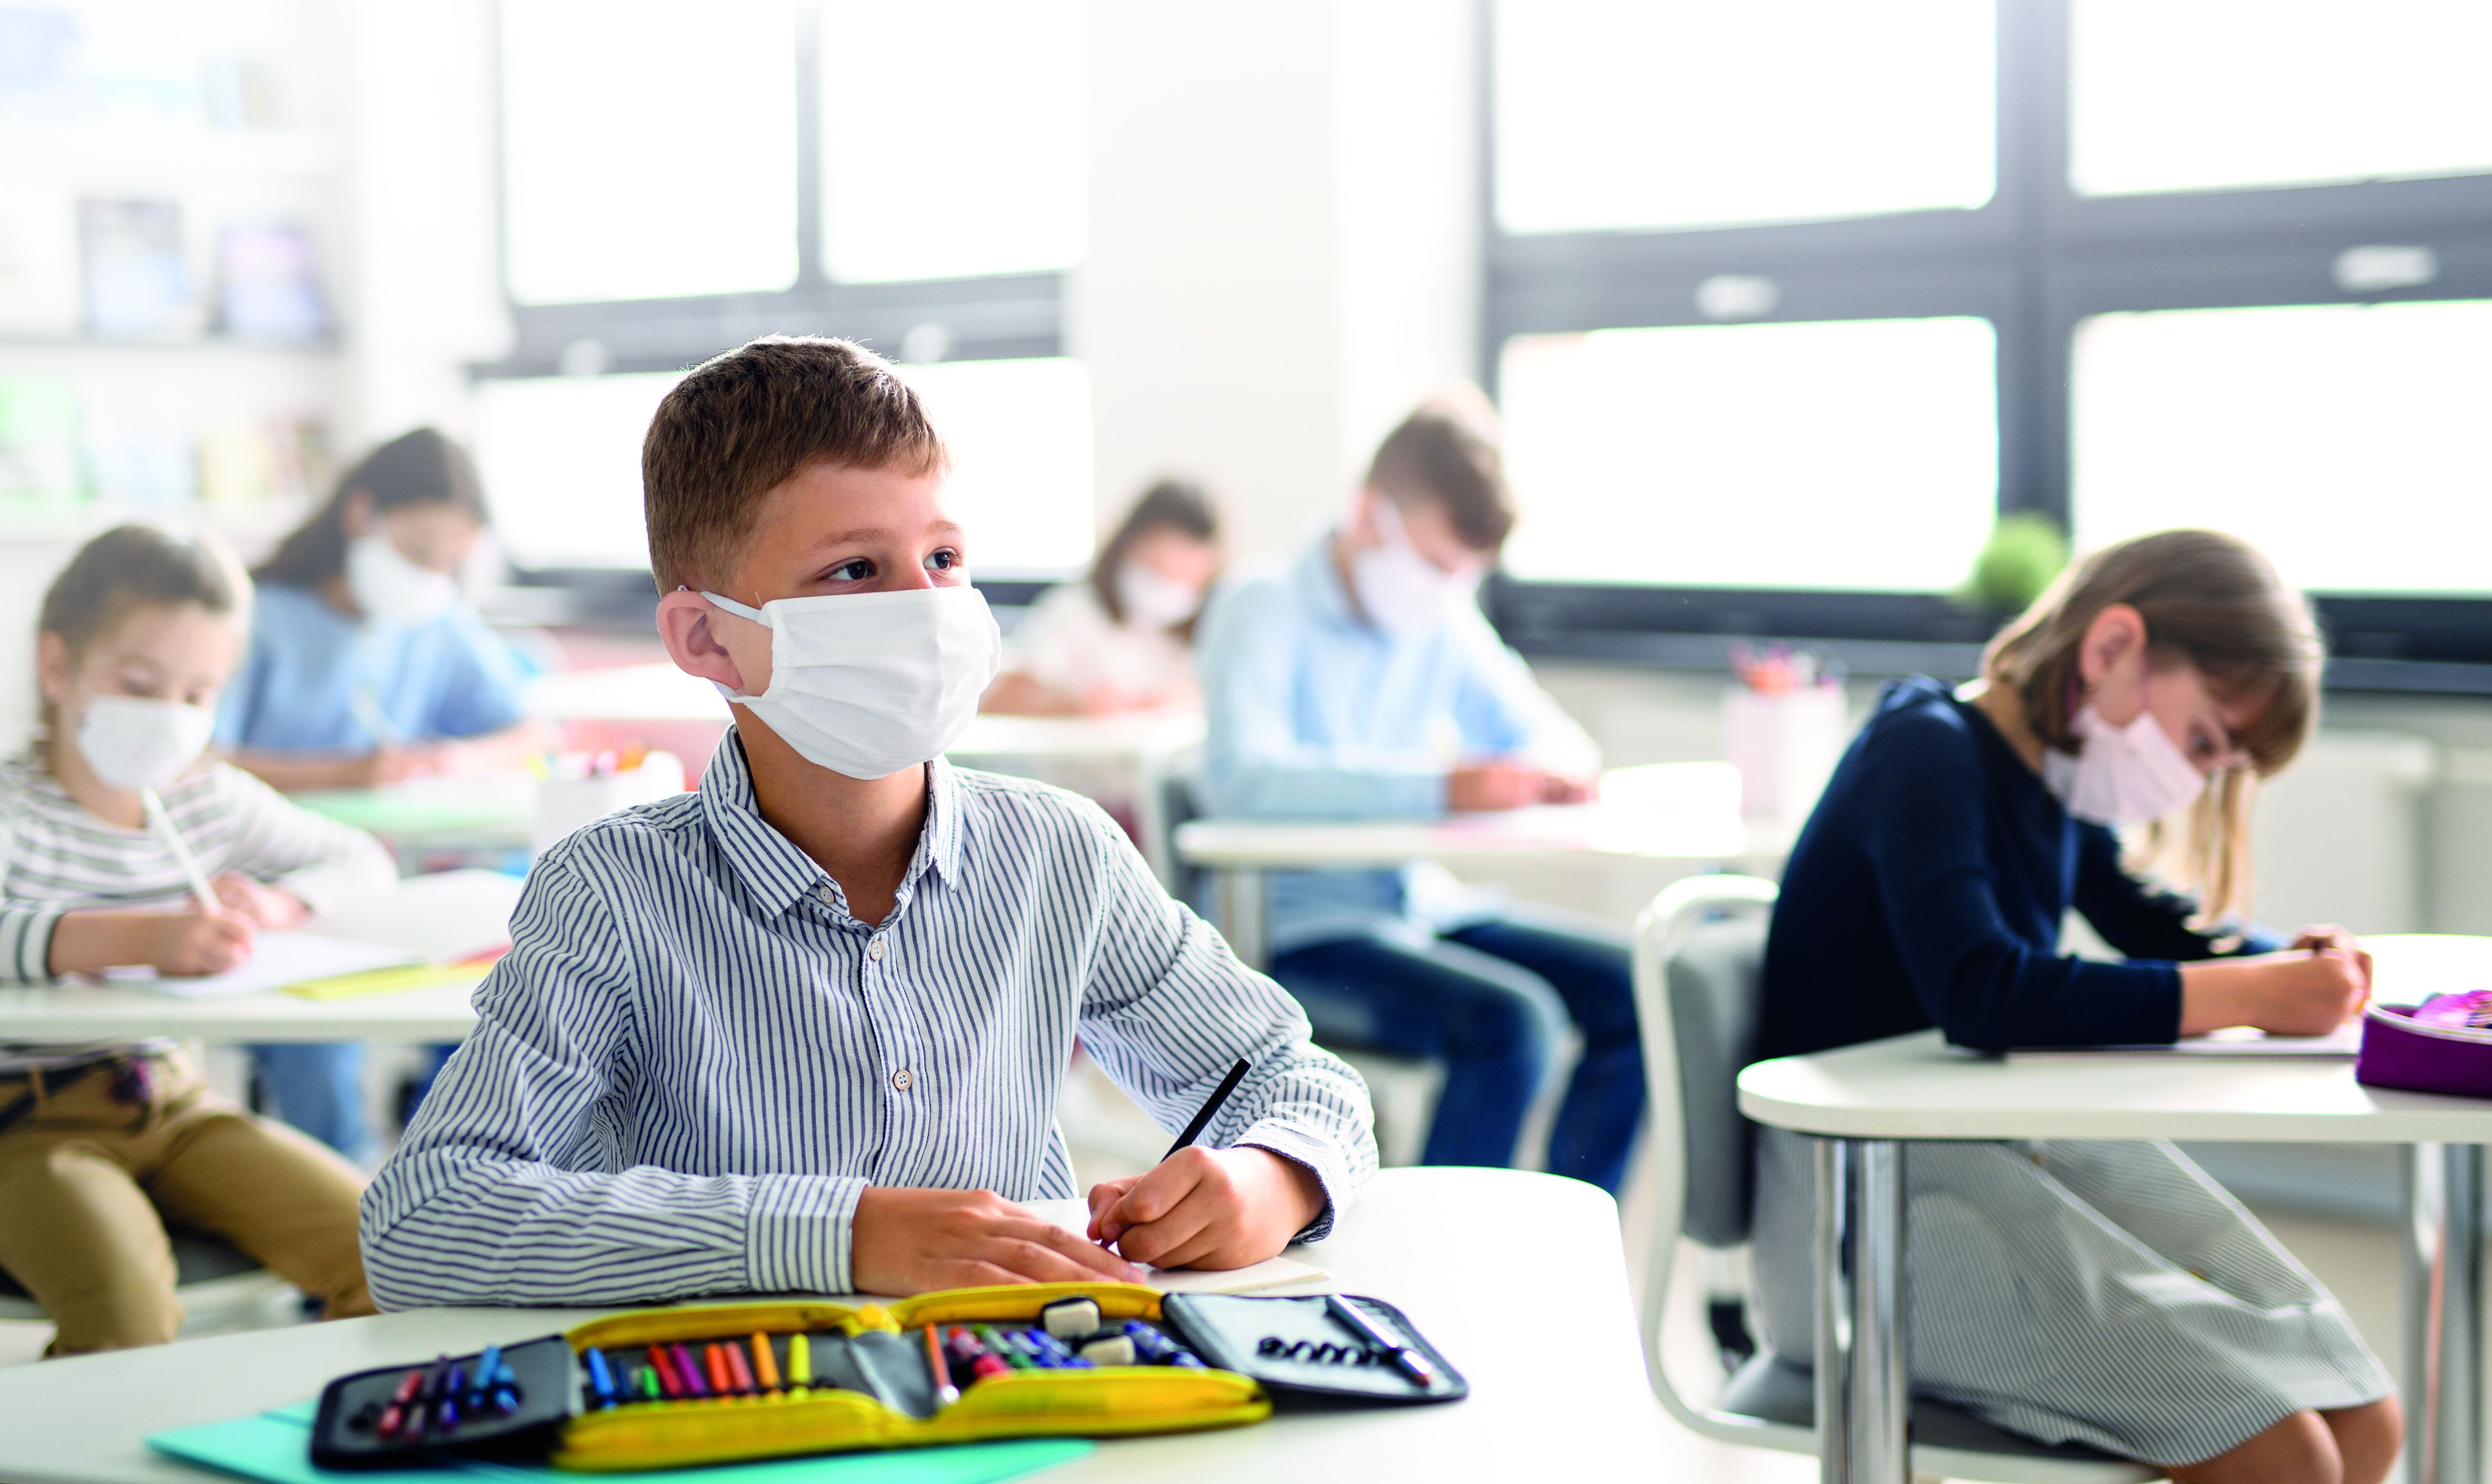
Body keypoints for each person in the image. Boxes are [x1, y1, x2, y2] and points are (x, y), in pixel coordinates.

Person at [359, 336, 1374, 1308]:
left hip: (1019, 1386)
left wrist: (1270, 1175)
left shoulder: (1059, 855)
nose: (924, 606)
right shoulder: (614, 890)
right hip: (747, 1410)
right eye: (853, 569)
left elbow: (1294, 1076)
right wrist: (839, 1234)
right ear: (707, 636)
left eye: (943, 555)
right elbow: (423, 1216)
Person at [1751, 529, 2401, 1484]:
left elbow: (2157, 924)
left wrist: (2287, 964)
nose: (2191, 779)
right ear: (2109, 649)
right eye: (2201, 741)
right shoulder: (1921, 750)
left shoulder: (2048, 781)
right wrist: (2251, 994)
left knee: (2362, 1418)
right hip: (1866, 1199)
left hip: (1989, 1149)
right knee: (2286, 1455)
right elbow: (1980, 987)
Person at [1194, 390, 1644, 1193]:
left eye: (1466, 572)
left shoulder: (1440, 616)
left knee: (1637, 983)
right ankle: (1436, 1269)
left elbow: (1551, 732)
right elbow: (1240, 778)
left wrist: (1548, 767)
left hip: (1418, 906)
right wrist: (1440, 783)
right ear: (1371, 514)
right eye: (1438, 564)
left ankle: (1560, 1236)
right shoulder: (1261, 604)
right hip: (1300, 935)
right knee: (1514, 1024)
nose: (1449, 587)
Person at [0, 524, 389, 1352]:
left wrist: (280, 903)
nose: (170, 716)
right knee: (129, 1312)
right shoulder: (14, 815)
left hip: (177, 1105)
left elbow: (358, 859)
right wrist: (142, 935)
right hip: (26, 1128)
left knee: (393, 1252)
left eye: (197, 693)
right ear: (59, 666)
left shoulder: (209, 799)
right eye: (140, 683)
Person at [220, 427, 536, 1160]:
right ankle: (338, 1213)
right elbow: (201, 761)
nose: (433, 575)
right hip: (285, 885)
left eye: (451, 563)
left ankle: (449, 1165)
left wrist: (451, 758)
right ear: (362, 515)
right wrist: (341, 771)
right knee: (319, 1048)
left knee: (507, 978)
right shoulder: (257, 616)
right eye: (421, 551)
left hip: (404, 878)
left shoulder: (435, 621)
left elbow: (528, 730)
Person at [982, 478, 1222, 717]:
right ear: (1129, 544)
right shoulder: (1075, 611)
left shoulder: (1198, 637)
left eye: (1187, 583)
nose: (1170, 590)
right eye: (1159, 569)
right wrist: (1078, 707)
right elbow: (1000, 699)